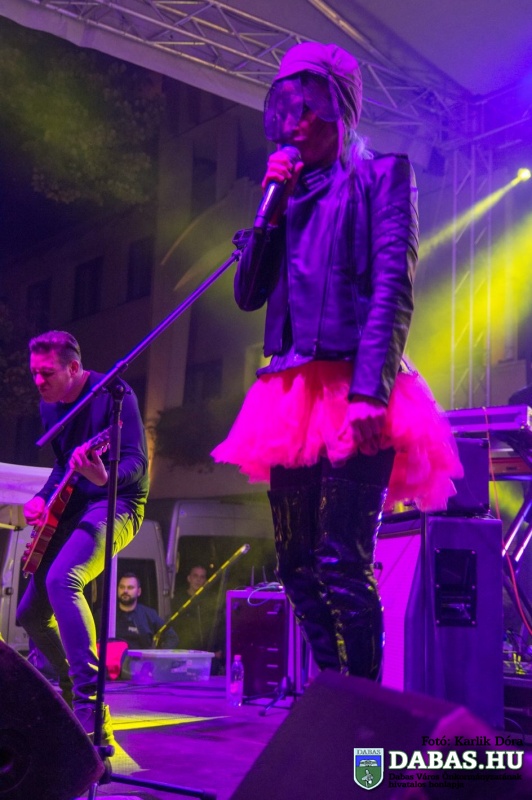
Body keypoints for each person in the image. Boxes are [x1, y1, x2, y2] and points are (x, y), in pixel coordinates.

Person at [212, 42, 462, 680]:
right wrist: (269, 213)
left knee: (341, 562)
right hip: (290, 395)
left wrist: (370, 391)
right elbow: (247, 294)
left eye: (310, 108)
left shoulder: (384, 178)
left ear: (339, 110)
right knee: (296, 568)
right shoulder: (284, 195)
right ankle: (328, 698)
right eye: (288, 109)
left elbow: (393, 286)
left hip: (359, 383)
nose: (297, 122)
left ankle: (360, 715)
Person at [17, 330, 149, 746]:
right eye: (34, 373)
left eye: (46, 373)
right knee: (30, 615)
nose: (39, 381)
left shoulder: (115, 395)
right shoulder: (49, 406)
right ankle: (70, 688)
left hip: (118, 503)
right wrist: (41, 499)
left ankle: (91, 705)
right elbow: (63, 466)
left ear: (74, 368)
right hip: (74, 505)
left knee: (63, 579)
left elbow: (137, 464)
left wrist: (105, 477)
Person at [172, 565, 225, 674]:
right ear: (189, 578)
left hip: (208, 657)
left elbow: (219, 626)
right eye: (195, 576)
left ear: (205, 581)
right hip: (185, 656)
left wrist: (218, 649)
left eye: (202, 577)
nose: (198, 580)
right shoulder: (178, 601)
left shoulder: (211, 602)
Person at [116, 572, 178, 649]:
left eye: (130, 588)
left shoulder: (149, 614)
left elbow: (172, 637)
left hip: (141, 656)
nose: (125, 591)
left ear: (139, 592)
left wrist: (157, 655)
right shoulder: (106, 614)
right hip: (113, 656)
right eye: (122, 587)